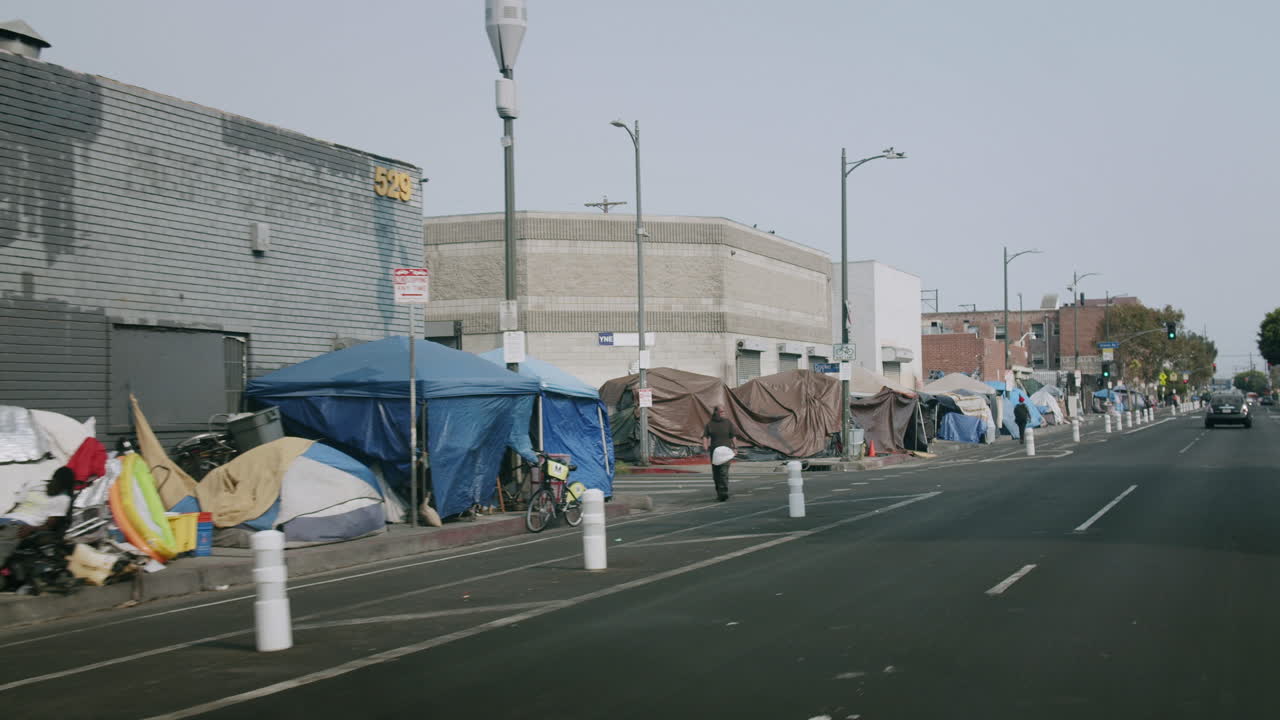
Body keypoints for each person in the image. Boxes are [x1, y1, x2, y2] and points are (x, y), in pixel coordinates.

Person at [0, 467, 74, 569]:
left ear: (64, 488)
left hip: (20, 525)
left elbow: (48, 525)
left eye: (60, 487)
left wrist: (31, 528)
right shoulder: (34, 484)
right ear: (53, 478)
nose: (56, 488)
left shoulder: (62, 499)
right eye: (55, 482)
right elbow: (15, 507)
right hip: (6, 520)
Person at [703, 406, 736, 501]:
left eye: (723, 411)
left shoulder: (728, 423)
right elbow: (705, 436)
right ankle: (719, 492)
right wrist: (705, 445)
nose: (723, 413)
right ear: (715, 412)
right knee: (716, 474)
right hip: (715, 453)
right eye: (721, 411)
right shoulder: (710, 424)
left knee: (723, 472)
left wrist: (735, 447)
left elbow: (733, 436)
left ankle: (724, 492)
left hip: (726, 452)